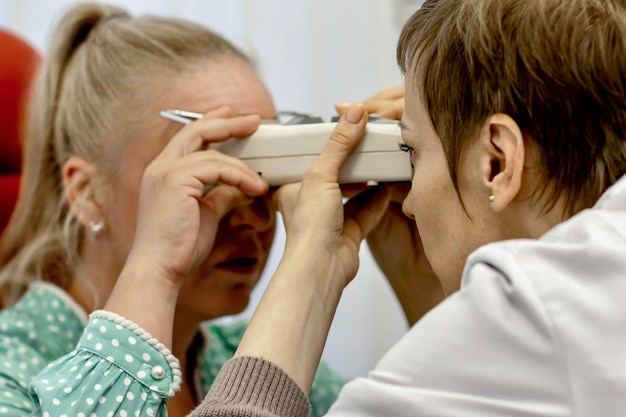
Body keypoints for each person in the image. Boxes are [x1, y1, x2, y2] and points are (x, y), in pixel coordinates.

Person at [186, 0, 626, 415]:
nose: (410, 203)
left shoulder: (529, 309)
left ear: (497, 163)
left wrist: (311, 261)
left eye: (412, 153)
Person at [0, 3, 351, 416]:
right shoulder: (12, 370)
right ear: (86, 192)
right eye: (208, 175)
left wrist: (415, 277)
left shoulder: (238, 353)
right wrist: (155, 269)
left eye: (266, 172)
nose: (256, 218)